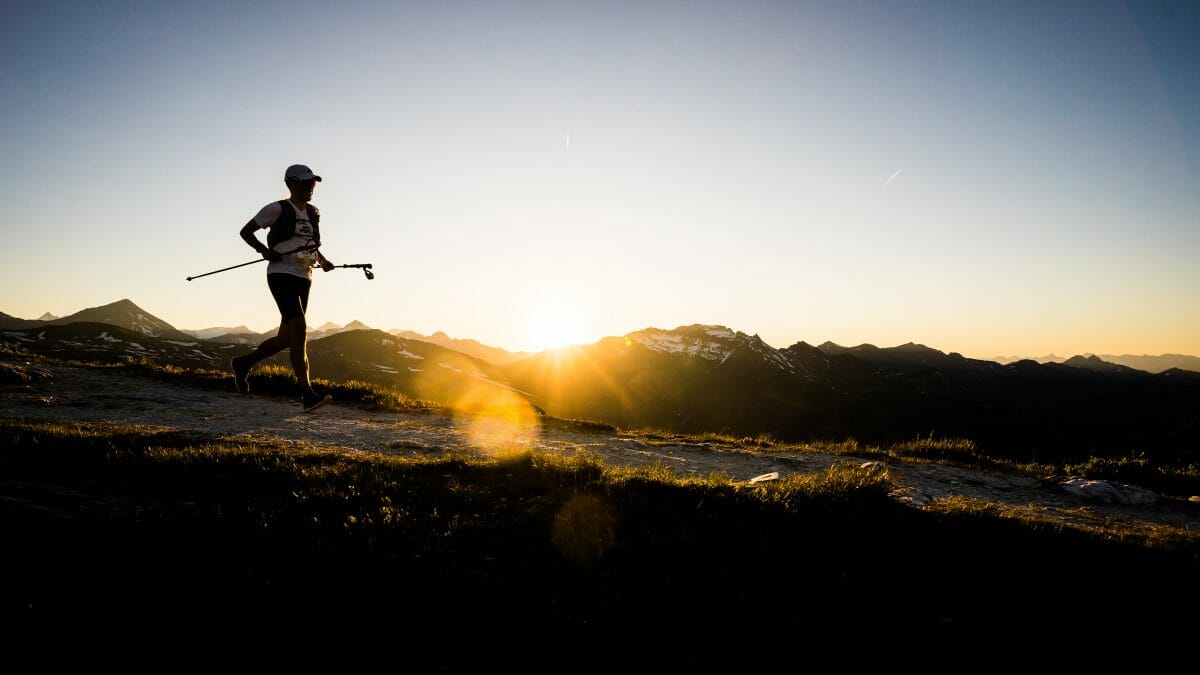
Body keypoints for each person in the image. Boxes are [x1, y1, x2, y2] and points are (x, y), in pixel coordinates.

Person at [230, 164, 335, 412]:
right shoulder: (276, 208)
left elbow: (309, 243)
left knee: (286, 338)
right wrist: (264, 251)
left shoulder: (313, 211)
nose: (311, 187)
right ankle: (307, 394)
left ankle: (243, 363)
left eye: (314, 183)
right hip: (281, 274)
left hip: (304, 276)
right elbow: (246, 232)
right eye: (306, 182)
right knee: (300, 330)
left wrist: (322, 260)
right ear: (290, 184)